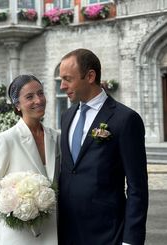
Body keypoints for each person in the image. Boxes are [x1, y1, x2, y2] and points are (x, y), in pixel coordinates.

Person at [58, 49, 148, 245]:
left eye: (67, 79)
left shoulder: (125, 119)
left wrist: (131, 240)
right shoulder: (66, 117)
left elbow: (137, 188)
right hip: (66, 233)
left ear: (90, 76)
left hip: (108, 235)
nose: (62, 86)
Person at [0, 74, 60, 245]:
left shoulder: (56, 137)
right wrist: (16, 207)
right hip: (21, 235)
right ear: (17, 105)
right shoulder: (6, 139)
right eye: (29, 97)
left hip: (56, 231)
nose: (38, 100)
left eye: (41, 93)